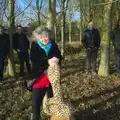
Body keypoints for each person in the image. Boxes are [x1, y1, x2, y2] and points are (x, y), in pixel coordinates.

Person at [30, 26, 62, 120]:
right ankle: (35, 117)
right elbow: (34, 60)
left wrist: (56, 59)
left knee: (53, 99)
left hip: (53, 76)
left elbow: (59, 55)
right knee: (36, 102)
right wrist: (48, 63)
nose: (44, 39)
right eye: (41, 37)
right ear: (38, 38)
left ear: (49, 36)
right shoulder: (35, 45)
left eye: (46, 36)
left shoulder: (53, 44)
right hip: (40, 77)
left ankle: (54, 116)